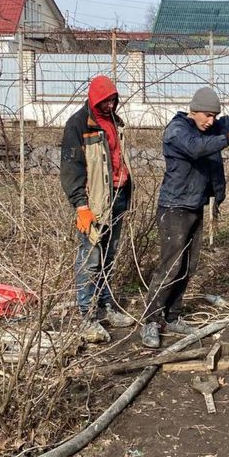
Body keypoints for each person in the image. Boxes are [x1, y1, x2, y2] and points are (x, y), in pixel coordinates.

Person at [140, 83, 229, 349]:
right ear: (194, 111)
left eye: (213, 116)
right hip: (174, 208)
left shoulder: (208, 126)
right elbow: (198, 148)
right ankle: (151, 321)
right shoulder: (177, 131)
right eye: (206, 116)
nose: (211, 121)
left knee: (188, 266)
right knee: (170, 266)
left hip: (195, 204)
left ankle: (172, 316)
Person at [60, 74, 136, 344]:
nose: (110, 106)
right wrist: (81, 206)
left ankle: (106, 307)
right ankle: (86, 317)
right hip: (94, 203)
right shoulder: (79, 125)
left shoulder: (115, 122)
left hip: (118, 196)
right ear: (94, 100)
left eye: (113, 100)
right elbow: (71, 169)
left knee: (109, 256)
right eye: (105, 101)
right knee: (90, 259)